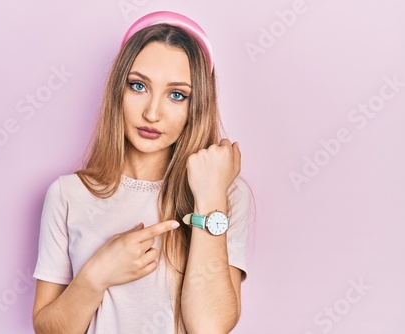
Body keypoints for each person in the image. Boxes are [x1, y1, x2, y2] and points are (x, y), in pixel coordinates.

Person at [32, 11, 251, 334]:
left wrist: (209, 199)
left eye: (177, 95)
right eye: (138, 86)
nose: (152, 112)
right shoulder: (68, 194)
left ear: (197, 105)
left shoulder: (226, 194)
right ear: (118, 90)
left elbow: (209, 327)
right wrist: (97, 274)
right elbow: (49, 329)